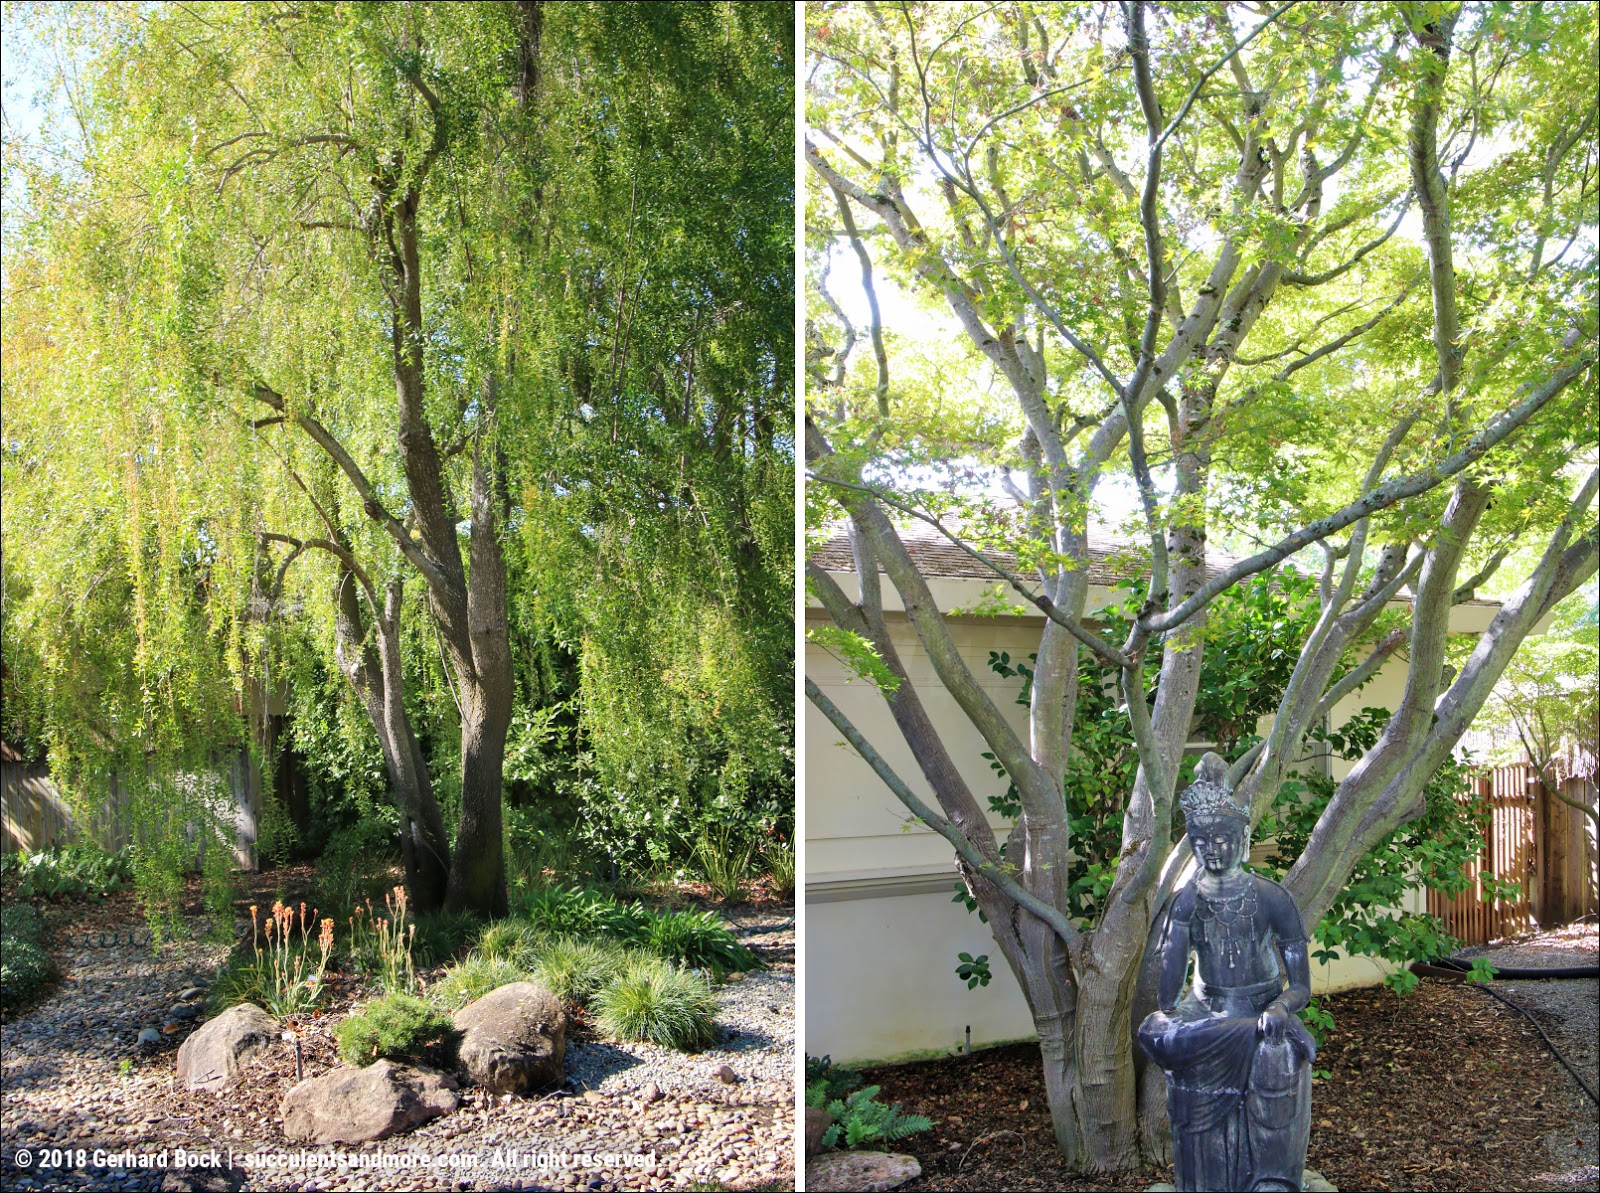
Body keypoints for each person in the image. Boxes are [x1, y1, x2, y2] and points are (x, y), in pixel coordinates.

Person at [1137, 753, 1317, 1193]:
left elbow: (1302, 988)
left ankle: (1272, 1181)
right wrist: (1178, 921)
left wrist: (1278, 1008)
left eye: (1224, 839)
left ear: (1245, 837)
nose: (1213, 850)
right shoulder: (1187, 902)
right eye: (1201, 842)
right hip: (1207, 1012)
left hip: (1261, 1011)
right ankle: (1204, 1181)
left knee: (1275, 1057)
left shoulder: (1272, 898)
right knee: (1160, 1033)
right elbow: (1166, 999)